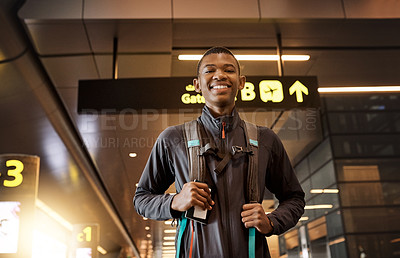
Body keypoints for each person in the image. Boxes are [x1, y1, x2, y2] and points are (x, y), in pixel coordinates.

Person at [134, 46, 305, 257]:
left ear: (241, 82)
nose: (220, 75)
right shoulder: (173, 139)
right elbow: (141, 198)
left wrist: (271, 221)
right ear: (197, 85)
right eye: (210, 70)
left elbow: (295, 198)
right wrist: (174, 201)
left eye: (229, 70)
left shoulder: (265, 140)